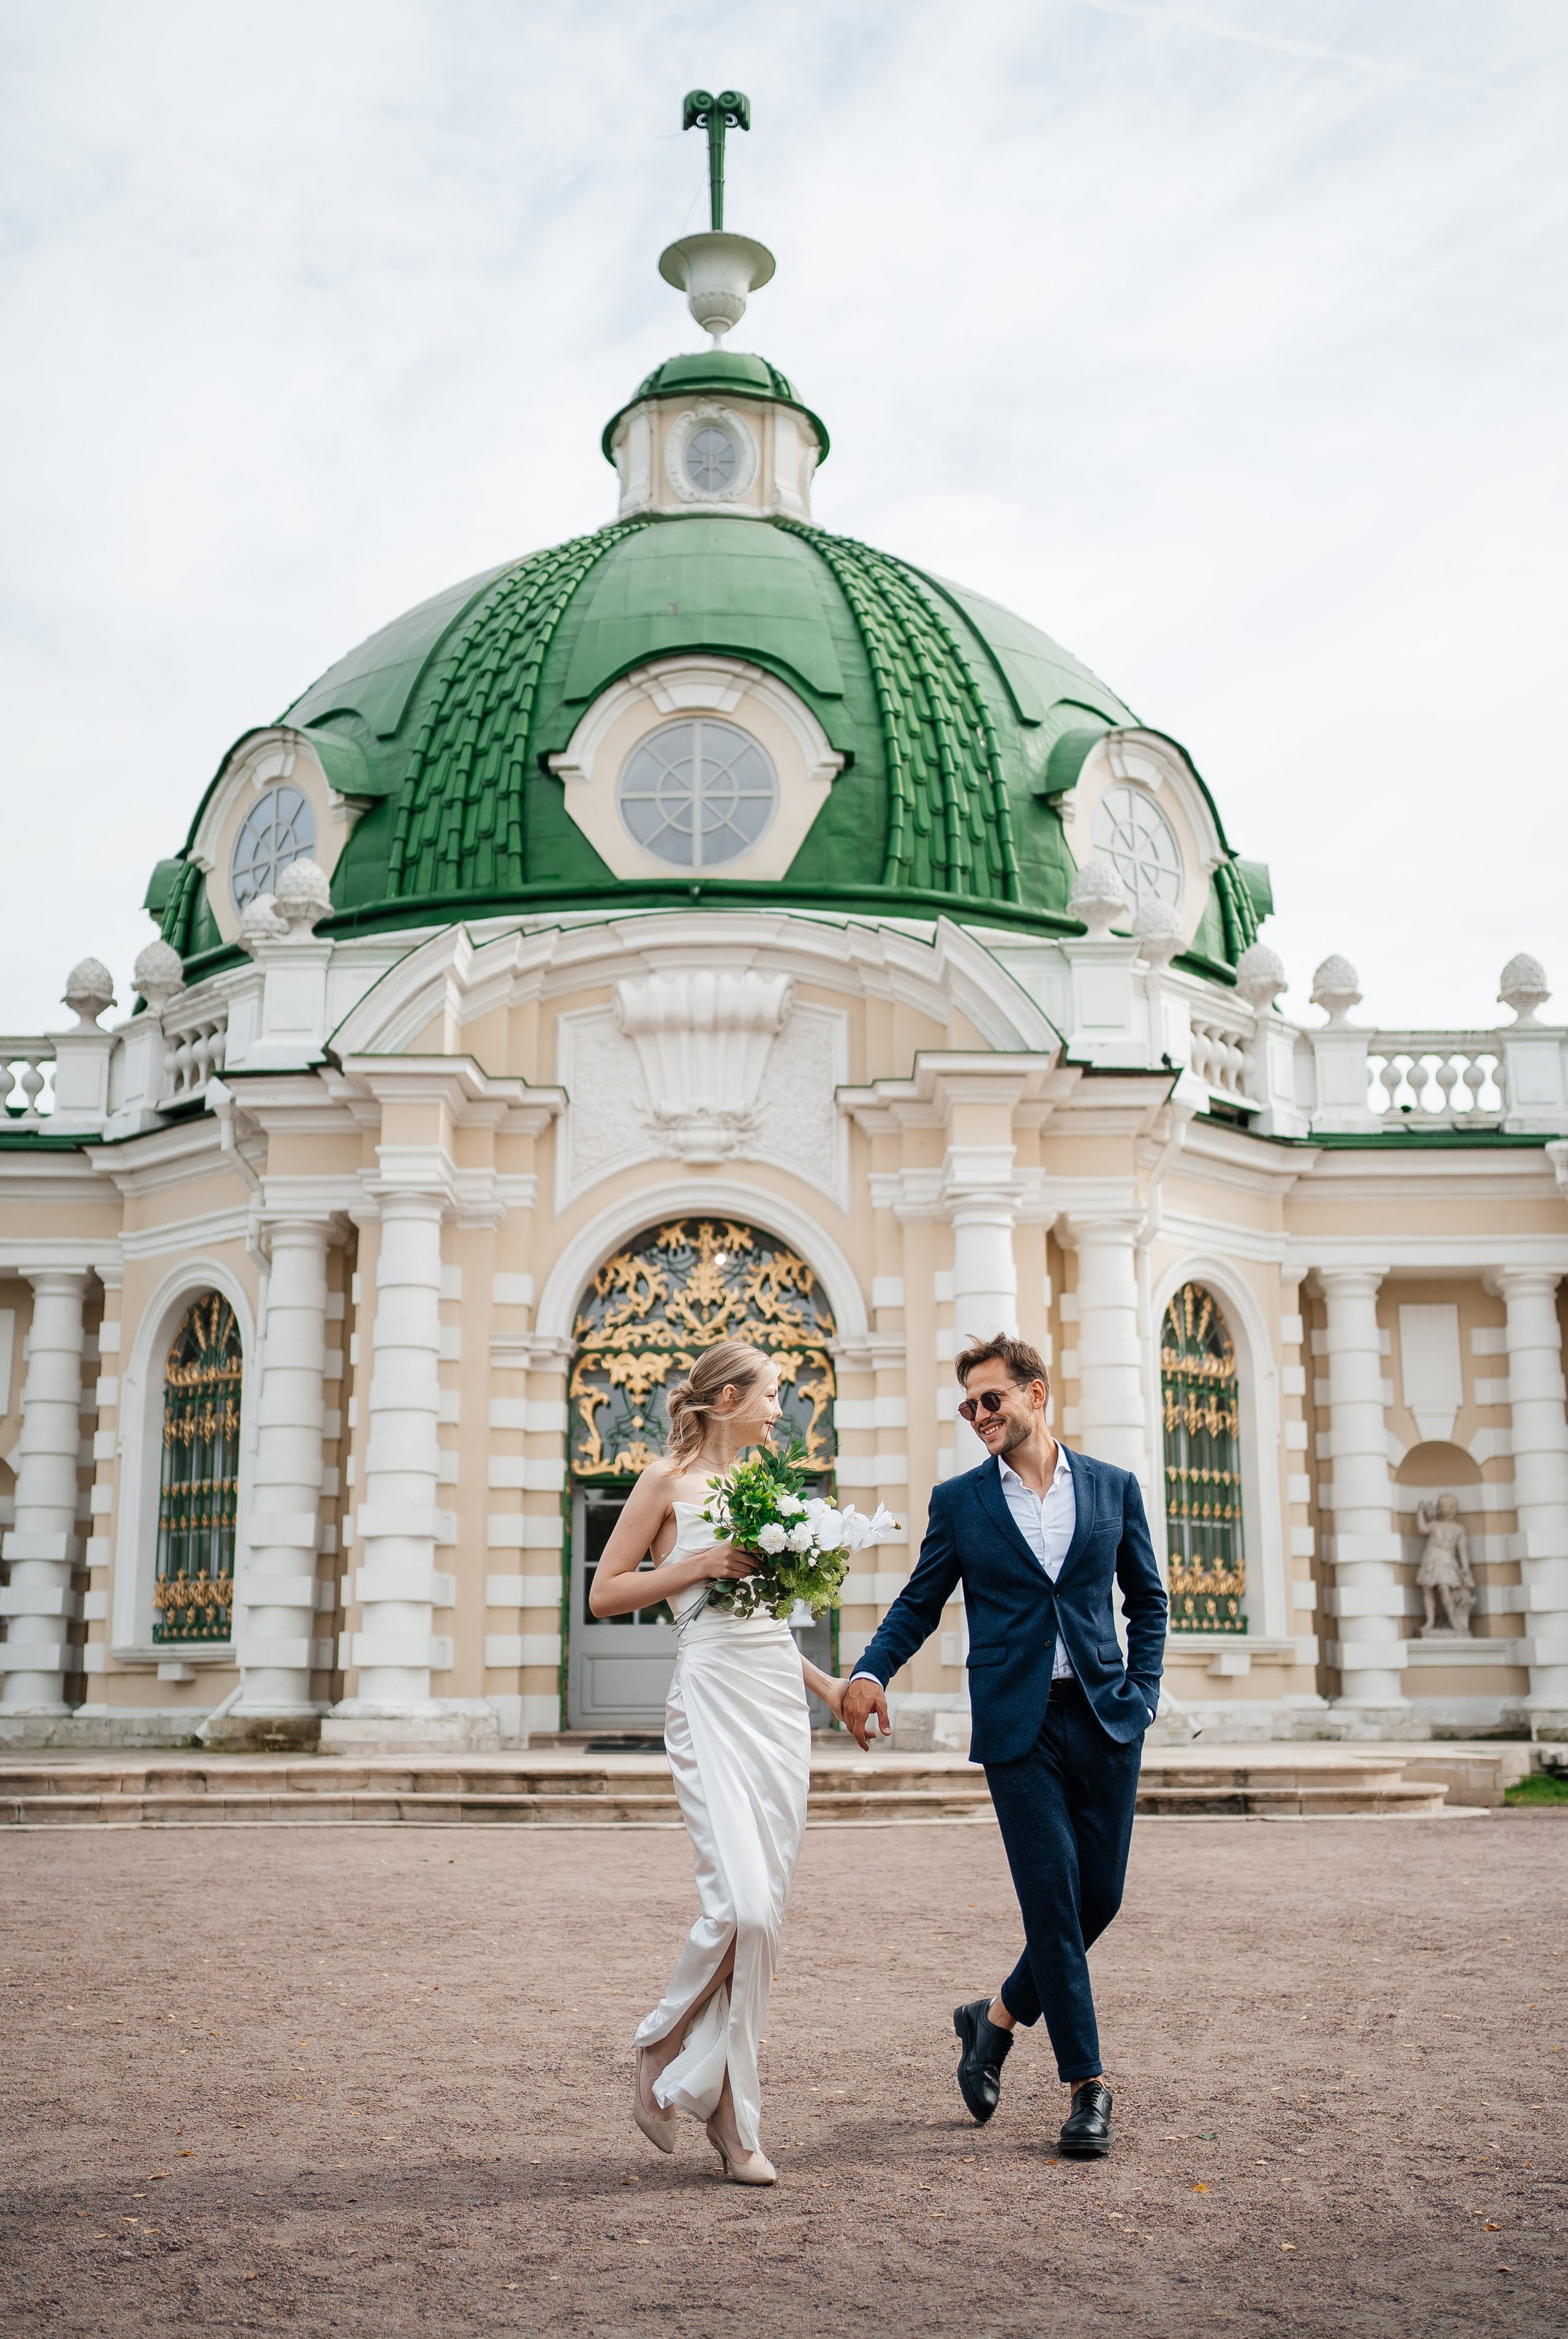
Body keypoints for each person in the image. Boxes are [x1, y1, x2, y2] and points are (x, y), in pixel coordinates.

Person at [841, 1333, 1166, 2158]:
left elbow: (1148, 1602)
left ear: (1036, 1394)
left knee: (1101, 1901)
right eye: (968, 1406)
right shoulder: (961, 1503)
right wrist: (872, 1672)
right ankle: (1088, 2088)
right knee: (1054, 1903)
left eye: (992, 1400)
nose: (979, 1416)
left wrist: (1145, 1695)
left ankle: (991, 2022)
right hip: (1018, 1727)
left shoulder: (1113, 1488)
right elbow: (919, 1601)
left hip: (1104, 1718)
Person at [592, 1338, 846, 2185]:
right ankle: (660, 2044)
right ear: (729, 1396)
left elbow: (771, 1621)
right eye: (774, 1392)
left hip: (777, 1704)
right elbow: (605, 1591)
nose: (784, 1407)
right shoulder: (666, 1483)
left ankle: (733, 2124)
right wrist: (695, 1564)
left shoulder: (766, 1489)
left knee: (763, 1921)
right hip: (708, 1695)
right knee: (740, 1907)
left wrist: (832, 1690)